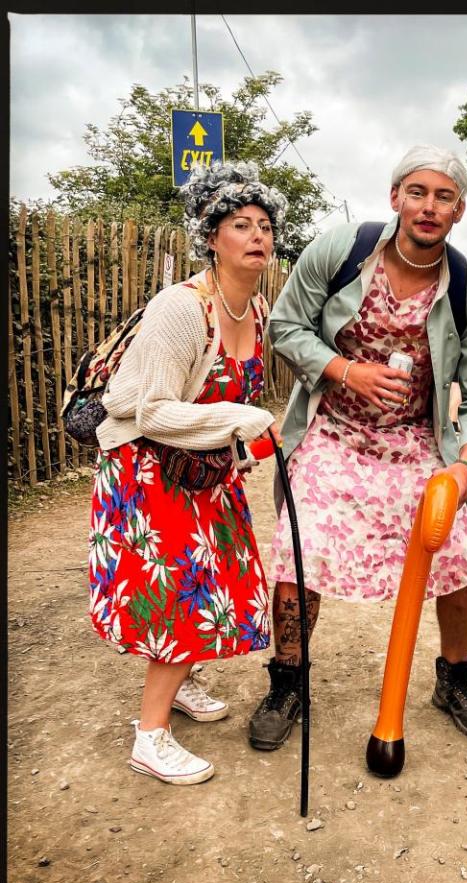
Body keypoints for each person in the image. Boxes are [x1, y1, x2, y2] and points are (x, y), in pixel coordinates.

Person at [248, 145, 467, 751]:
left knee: (459, 555)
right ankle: (288, 680)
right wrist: (344, 370)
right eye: (418, 191)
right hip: (331, 428)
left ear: (459, 210)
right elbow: (284, 326)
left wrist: (464, 466)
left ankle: (455, 678)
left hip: (415, 440)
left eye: (444, 196)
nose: (429, 206)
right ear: (395, 197)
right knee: (299, 547)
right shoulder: (342, 251)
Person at [89, 161, 286, 784]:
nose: (256, 236)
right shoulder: (181, 308)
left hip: (200, 474)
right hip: (146, 470)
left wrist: (241, 440)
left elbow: (225, 413)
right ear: (211, 235)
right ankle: (150, 736)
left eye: (264, 226)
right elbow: (139, 405)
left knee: (221, 581)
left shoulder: (254, 310)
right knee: (183, 594)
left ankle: (181, 685)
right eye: (239, 224)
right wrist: (241, 420)